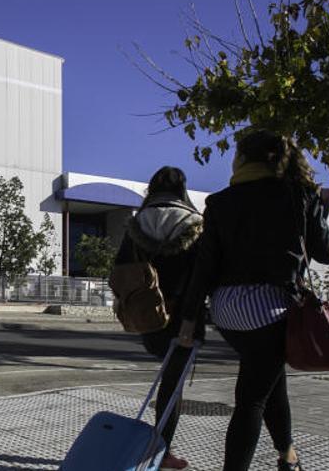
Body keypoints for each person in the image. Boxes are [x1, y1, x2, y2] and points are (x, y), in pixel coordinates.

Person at [178, 130, 329, 471]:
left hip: (227, 310)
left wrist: (190, 319)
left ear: (242, 159)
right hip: (271, 308)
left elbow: (205, 264)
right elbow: (327, 253)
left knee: (268, 379)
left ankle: (288, 455)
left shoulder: (220, 202)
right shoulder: (299, 194)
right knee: (251, 400)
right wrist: (318, 211)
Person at [113, 166, 204, 471]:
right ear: (183, 190)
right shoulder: (196, 224)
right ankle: (162, 452)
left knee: (166, 377)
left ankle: (158, 450)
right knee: (172, 385)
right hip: (185, 316)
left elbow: (120, 268)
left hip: (148, 313)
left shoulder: (137, 224)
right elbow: (202, 276)